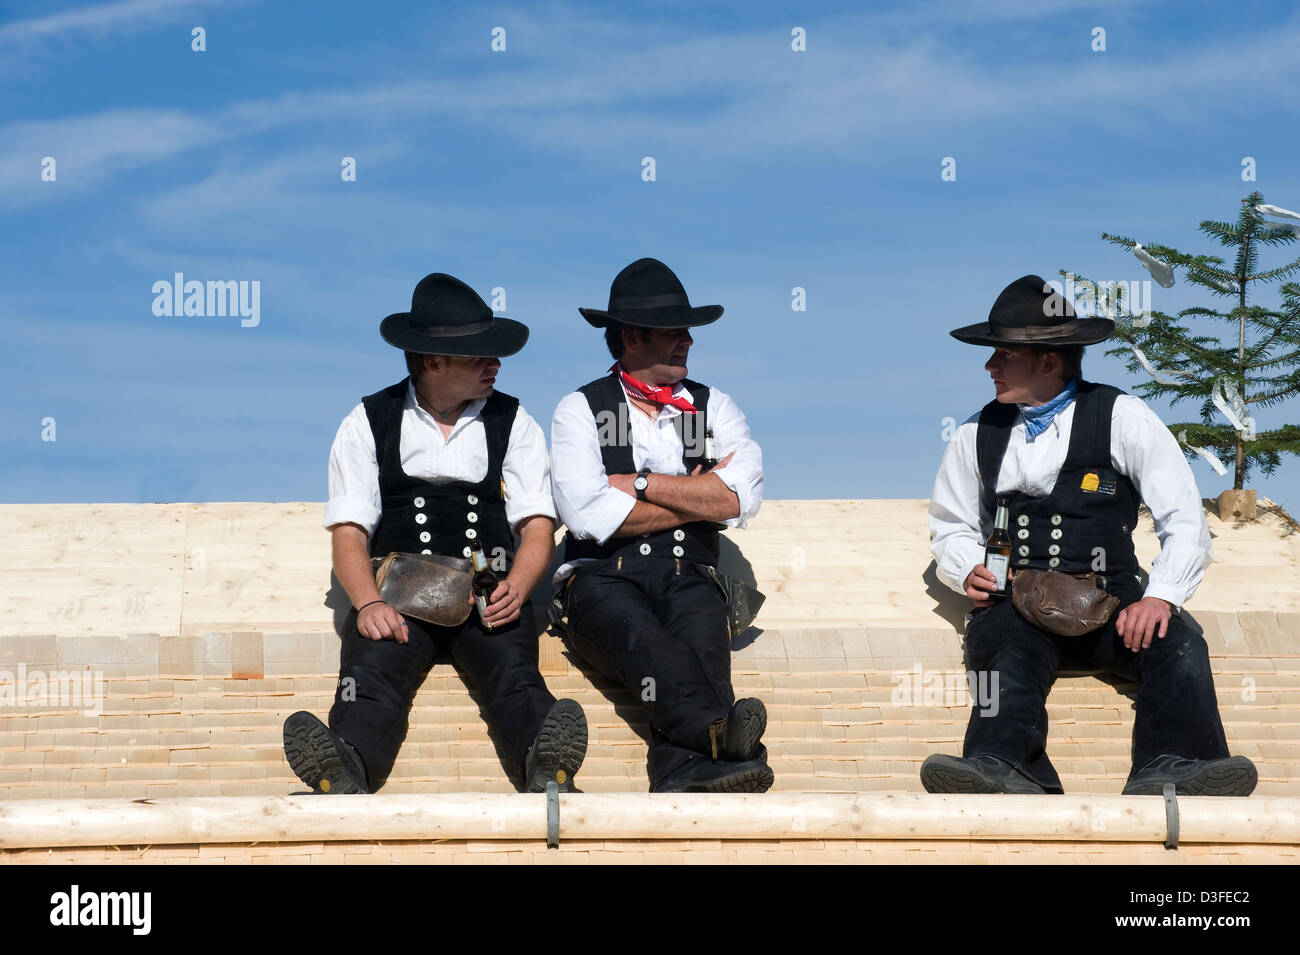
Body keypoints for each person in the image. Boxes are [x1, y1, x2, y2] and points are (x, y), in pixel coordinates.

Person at [923, 274, 1257, 796]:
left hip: (1113, 599)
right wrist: (967, 567)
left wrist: (1160, 598)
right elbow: (951, 523)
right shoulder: (975, 432)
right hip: (1019, 602)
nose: (989, 366)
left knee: (1179, 643)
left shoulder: (1124, 417)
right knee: (1003, 651)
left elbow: (1184, 519)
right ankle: (1007, 766)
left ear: (1048, 362)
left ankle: (1174, 764)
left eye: (1003, 355)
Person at [283, 272, 587, 795]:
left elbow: (537, 524)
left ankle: (547, 764)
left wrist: (518, 582)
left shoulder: (515, 421)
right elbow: (350, 533)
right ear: (432, 362)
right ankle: (345, 766)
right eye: (477, 356)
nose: (494, 364)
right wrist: (366, 603)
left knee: (514, 676)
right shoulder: (367, 420)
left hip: (487, 589)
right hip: (398, 595)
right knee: (372, 676)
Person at [551, 258, 772, 793]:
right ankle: (724, 743)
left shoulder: (714, 404)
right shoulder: (579, 409)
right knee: (647, 641)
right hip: (603, 578)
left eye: (688, 332)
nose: (688, 342)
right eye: (673, 332)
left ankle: (681, 771)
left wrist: (639, 484)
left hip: (690, 573)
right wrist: (697, 495)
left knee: (702, 652)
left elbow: (740, 499)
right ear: (631, 336)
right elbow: (586, 515)